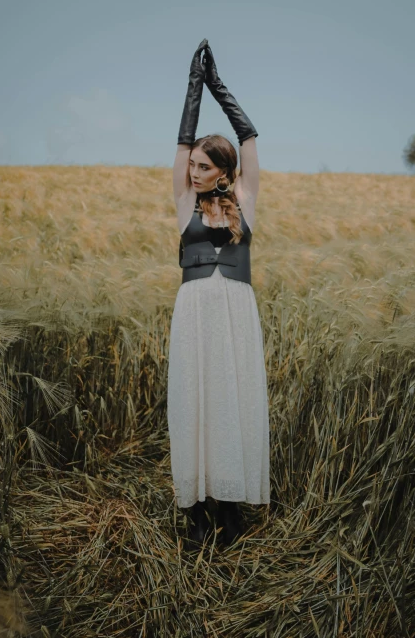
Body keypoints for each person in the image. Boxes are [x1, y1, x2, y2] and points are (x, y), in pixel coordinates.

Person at [168, 38, 270, 550]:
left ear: (224, 172)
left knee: (230, 401)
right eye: (193, 166)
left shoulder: (245, 199)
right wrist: (192, 84)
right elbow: (183, 143)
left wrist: (217, 84)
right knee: (194, 400)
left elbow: (248, 135)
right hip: (193, 311)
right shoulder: (184, 198)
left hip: (234, 311)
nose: (194, 171)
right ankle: (197, 514)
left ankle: (229, 510)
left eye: (204, 167)